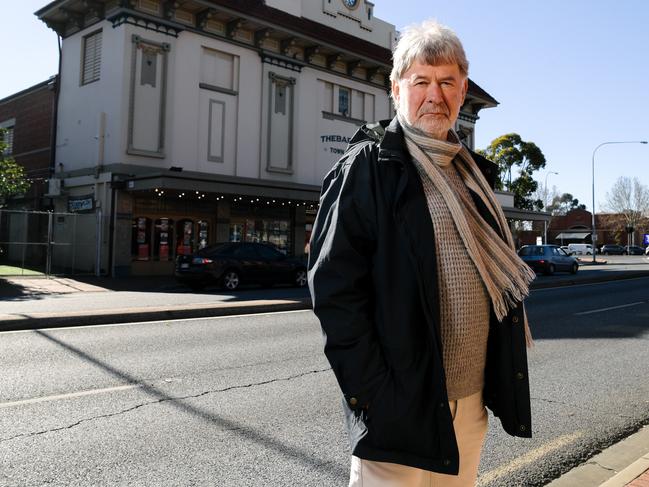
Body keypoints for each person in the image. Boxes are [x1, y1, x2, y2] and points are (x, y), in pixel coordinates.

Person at [307, 19, 535, 487]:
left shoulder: (474, 178)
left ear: (463, 87)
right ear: (396, 89)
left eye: (447, 81)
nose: (436, 94)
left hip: (467, 408)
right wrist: (376, 399)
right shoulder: (367, 170)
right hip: (399, 409)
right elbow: (335, 293)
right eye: (422, 82)